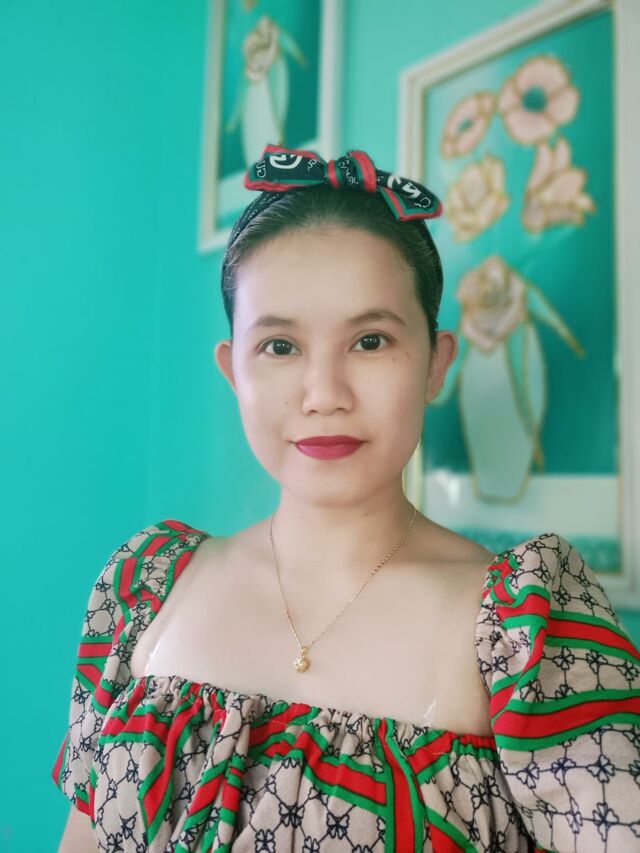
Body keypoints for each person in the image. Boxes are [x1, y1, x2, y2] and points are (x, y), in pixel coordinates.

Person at [55, 145, 640, 852]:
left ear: (436, 364)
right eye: (279, 347)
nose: (325, 395)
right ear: (233, 372)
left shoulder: (525, 630)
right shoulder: (143, 587)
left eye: (370, 340)